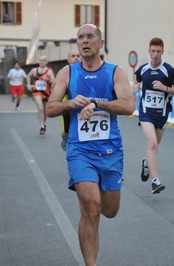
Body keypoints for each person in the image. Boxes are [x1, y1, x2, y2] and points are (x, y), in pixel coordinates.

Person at [46, 24, 133, 266]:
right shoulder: (67, 72)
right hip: (80, 150)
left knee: (109, 210)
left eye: (90, 37)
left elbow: (128, 106)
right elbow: (50, 108)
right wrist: (70, 103)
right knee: (91, 207)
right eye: (80, 38)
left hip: (111, 150)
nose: (84, 41)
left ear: (100, 43)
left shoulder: (116, 72)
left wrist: (97, 102)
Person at [132, 37, 174, 194]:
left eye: (158, 52)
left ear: (162, 52)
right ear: (149, 51)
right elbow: (136, 82)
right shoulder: (143, 69)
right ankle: (155, 181)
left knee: (155, 147)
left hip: (162, 113)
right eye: (153, 51)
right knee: (152, 144)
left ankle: (146, 163)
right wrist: (135, 86)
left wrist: (164, 87)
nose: (155, 55)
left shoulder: (169, 70)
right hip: (146, 113)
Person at [58, 50, 81, 150]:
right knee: (67, 130)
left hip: (82, 103)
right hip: (67, 103)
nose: (76, 58)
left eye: (78, 56)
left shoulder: (86, 71)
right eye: (73, 56)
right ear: (68, 60)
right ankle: (65, 136)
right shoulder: (64, 72)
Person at [27, 55, 55, 134]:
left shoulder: (49, 71)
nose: (41, 62)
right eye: (40, 60)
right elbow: (28, 76)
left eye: (43, 60)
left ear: (46, 62)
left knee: (46, 111)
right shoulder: (34, 70)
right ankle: (42, 126)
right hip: (37, 92)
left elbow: (54, 81)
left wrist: (48, 79)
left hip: (46, 93)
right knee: (40, 107)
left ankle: (44, 123)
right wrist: (28, 84)